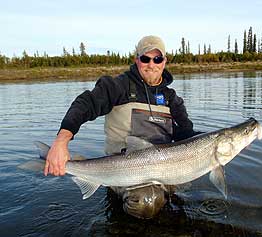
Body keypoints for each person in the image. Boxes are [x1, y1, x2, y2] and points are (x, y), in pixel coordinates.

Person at [44, 35, 198, 218]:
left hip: (161, 169)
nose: (151, 64)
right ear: (137, 60)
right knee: (146, 203)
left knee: (188, 186)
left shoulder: (172, 99)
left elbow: (188, 136)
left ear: (164, 61)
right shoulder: (118, 86)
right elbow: (85, 104)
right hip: (120, 171)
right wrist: (61, 141)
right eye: (145, 58)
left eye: (157, 59)